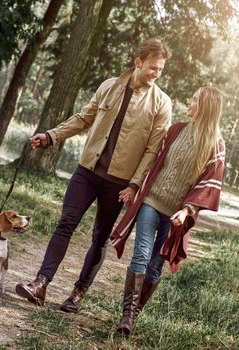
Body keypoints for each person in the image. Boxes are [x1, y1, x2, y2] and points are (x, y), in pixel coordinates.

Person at [15, 39, 173, 312]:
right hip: (87, 171)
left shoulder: (161, 104)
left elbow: (152, 151)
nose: (156, 73)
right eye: (152, 67)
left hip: (119, 183)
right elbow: (83, 118)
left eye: (160, 70)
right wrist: (51, 136)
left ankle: (77, 293)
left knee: (100, 238)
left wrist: (135, 185)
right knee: (65, 224)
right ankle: (41, 283)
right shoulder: (109, 86)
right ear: (138, 62)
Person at [109, 86, 225, 335]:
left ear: (205, 106)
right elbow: (152, 162)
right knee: (140, 254)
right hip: (152, 201)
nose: (189, 102)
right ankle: (127, 318)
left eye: (194, 100)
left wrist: (187, 210)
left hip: (176, 216)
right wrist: (134, 187)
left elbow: (209, 184)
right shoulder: (175, 131)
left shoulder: (216, 145)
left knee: (155, 266)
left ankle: (135, 314)